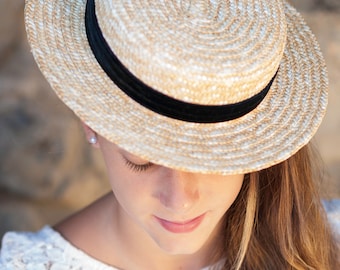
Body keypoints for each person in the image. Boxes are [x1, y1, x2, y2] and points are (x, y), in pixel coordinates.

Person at [1, 0, 339, 269]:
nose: (179, 200)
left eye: (211, 157)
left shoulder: (326, 243)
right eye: (143, 159)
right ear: (91, 122)